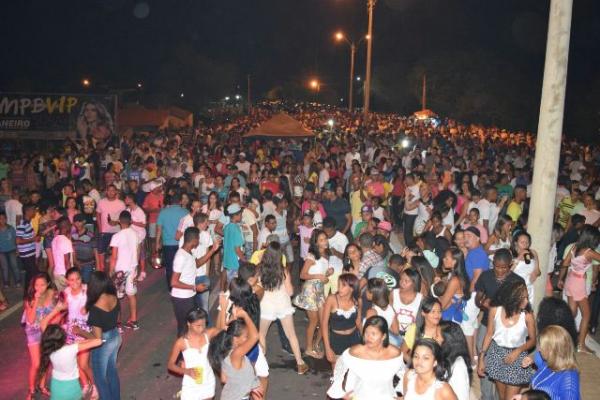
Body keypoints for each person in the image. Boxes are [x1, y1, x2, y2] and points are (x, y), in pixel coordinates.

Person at [478, 280, 536, 400]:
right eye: (522, 298)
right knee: (502, 397)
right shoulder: (495, 310)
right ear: (512, 298)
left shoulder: (527, 315)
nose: (526, 301)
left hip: (517, 357)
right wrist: (481, 358)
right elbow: (489, 334)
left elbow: (533, 340)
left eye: (527, 297)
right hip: (497, 354)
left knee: (511, 398)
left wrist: (519, 350)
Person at [257, 242, 309, 374]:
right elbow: (291, 292)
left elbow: (256, 288)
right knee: (291, 334)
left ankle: (261, 364)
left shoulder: (259, 269)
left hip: (266, 306)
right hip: (283, 305)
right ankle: (300, 363)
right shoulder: (283, 270)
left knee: (261, 335)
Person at [328, 316, 405, 400]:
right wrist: (341, 392)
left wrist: (401, 394)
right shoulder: (356, 351)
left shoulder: (394, 353)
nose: (369, 337)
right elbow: (340, 367)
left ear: (383, 336)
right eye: (366, 333)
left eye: (373, 334)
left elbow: (403, 373)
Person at [78, 271, 122, 400]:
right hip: (115, 336)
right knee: (112, 372)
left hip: (104, 341)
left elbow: (97, 339)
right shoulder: (114, 297)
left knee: (100, 379)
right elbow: (117, 319)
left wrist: (80, 331)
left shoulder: (96, 307)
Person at [558, 225, 600, 353]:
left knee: (572, 313)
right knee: (586, 315)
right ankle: (581, 345)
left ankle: (563, 339)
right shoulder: (589, 252)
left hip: (570, 280)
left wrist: (572, 270)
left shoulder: (574, 247)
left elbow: (565, 263)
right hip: (579, 283)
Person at [208, 307, 262, 400]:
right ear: (235, 339)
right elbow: (255, 336)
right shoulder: (236, 355)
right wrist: (245, 316)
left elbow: (224, 379)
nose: (248, 338)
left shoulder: (229, 353)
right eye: (246, 336)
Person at [167, 308, 222, 400]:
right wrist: (187, 371)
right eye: (198, 325)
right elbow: (170, 365)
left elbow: (225, 331)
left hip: (208, 380)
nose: (201, 328)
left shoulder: (208, 334)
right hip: (191, 383)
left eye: (204, 325)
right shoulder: (181, 342)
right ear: (189, 324)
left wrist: (223, 309)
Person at [293, 229, 332, 358]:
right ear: (315, 242)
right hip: (310, 290)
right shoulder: (311, 256)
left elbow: (321, 274)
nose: (324, 241)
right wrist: (319, 276)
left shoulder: (326, 254)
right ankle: (309, 348)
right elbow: (302, 275)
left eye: (325, 239)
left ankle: (316, 344)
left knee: (324, 321)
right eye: (321, 240)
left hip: (320, 290)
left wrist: (328, 273)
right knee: (314, 321)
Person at [38, 324, 102, 400]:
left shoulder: (50, 350)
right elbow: (98, 341)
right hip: (71, 386)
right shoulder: (71, 349)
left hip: (56, 386)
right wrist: (81, 333)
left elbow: (43, 323)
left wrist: (80, 343)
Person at [520, 325, 581, 400]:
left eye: (542, 346)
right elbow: (536, 358)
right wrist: (531, 360)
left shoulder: (569, 379)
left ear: (552, 350)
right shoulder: (546, 361)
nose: (538, 349)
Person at [171, 227, 212, 336]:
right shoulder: (181, 256)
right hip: (182, 299)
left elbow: (197, 264)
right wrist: (194, 287)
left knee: (190, 327)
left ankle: (188, 351)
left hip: (189, 296)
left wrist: (212, 250)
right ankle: (180, 352)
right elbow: (173, 282)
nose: (199, 241)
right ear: (194, 240)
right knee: (184, 329)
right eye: (198, 238)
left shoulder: (189, 252)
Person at [22, 273, 56, 399]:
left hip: (46, 330)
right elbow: (30, 320)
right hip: (33, 332)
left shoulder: (52, 293)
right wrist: (36, 300)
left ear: (47, 284)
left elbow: (57, 311)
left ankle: (42, 386)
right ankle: (31, 390)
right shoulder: (29, 298)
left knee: (45, 361)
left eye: (42, 285)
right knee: (36, 363)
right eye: (36, 285)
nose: (39, 288)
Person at [109, 210, 141, 330]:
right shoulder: (135, 234)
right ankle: (133, 320)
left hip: (120, 270)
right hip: (132, 268)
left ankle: (117, 324)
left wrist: (111, 270)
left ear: (119, 221)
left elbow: (114, 256)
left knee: (116, 297)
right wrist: (136, 266)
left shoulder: (116, 236)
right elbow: (138, 252)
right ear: (130, 221)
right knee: (131, 294)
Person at [322, 273, 362, 368]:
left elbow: (358, 322)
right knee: (337, 372)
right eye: (339, 284)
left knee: (353, 370)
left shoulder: (357, 301)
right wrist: (327, 348)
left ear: (352, 288)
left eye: (343, 285)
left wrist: (365, 341)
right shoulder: (332, 299)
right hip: (336, 340)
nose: (339, 288)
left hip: (354, 338)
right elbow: (324, 324)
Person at [157, 193, 189, 291]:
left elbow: (159, 229)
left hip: (168, 244)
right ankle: (182, 285)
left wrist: (157, 242)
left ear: (171, 201)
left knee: (170, 267)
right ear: (180, 201)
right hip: (182, 243)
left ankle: (172, 288)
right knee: (183, 265)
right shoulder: (185, 212)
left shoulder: (163, 212)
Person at [401, 297, 444, 361]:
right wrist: (414, 364)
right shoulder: (414, 329)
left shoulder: (444, 330)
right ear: (423, 313)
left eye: (439, 311)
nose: (437, 315)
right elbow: (402, 352)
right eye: (433, 311)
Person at [95, 185, 125, 272]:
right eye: (109, 190)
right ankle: (102, 273)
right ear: (106, 191)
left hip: (117, 232)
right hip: (104, 231)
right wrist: (100, 228)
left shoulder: (121, 203)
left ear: (116, 192)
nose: (111, 192)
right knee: (101, 252)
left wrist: (116, 222)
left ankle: (117, 272)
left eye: (113, 190)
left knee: (117, 254)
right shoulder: (101, 202)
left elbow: (124, 218)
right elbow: (97, 214)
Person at [437, 247, 470, 324]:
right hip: (452, 316)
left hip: (449, 318)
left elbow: (442, 305)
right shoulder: (457, 276)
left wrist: (438, 297)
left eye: (446, 258)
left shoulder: (455, 280)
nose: (443, 259)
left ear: (454, 262)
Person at [439, 321, 472, 400]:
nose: (433, 337)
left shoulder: (458, 367)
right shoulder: (445, 357)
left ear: (448, 341)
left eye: (437, 335)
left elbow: (462, 397)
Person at [390, 268, 423, 340]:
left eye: (406, 281)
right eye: (401, 279)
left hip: (411, 338)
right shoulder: (393, 293)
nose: (402, 282)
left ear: (414, 283)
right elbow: (388, 315)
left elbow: (420, 322)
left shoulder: (420, 299)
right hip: (392, 334)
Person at [323, 216, 349, 296]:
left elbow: (347, 257)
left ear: (335, 228)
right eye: (325, 231)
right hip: (324, 270)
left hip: (337, 270)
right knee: (323, 295)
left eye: (330, 231)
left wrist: (336, 253)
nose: (327, 234)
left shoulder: (342, 238)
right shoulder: (321, 236)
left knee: (336, 295)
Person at [222, 203, 246, 289]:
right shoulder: (236, 229)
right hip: (235, 262)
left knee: (230, 284)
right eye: (240, 214)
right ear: (235, 215)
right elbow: (237, 250)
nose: (241, 216)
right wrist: (244, 260)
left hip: (228, 261)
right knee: (234, 287)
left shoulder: (227, 227)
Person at [17, 204, 39, 296]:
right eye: (33, 210)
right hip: (26, 254)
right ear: (27, 211)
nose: (35, 212)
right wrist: (33, 239)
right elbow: (18, 240)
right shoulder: (23, 224)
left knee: (29, 275)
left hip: (30, 253)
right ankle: (31, 294)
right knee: (34, 274)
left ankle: (27, 294)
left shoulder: (27, 222)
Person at [71, 214, 100, 284]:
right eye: (75, 222)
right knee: (78, 283)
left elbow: (95, 250)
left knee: (86, 283)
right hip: (78, 264)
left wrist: (98, 265)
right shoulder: (73, 235)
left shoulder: (90, 235)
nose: (77, 224)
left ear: (84, 222)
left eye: (79, 222)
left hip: (88, 264)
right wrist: (75, 261)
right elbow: (73, 249)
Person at [49, 217, 73, 291]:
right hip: (64, 275)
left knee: (61, 297)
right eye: (70, 224)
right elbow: (67, 262)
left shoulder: (54, 239)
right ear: (67, 226)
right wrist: (70, 277)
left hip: (56, 273)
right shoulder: (66, 241)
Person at [0, 211, 19, 289]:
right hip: (1, 251)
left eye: (3, 218)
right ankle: (6, 282)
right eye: (0, 219)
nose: (2, 220)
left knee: (14, 266)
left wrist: (17, 249)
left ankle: (18, 281)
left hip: (12, 249)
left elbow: (16, 239)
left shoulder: (11, 228)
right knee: (4, 267)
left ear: (6, 219)